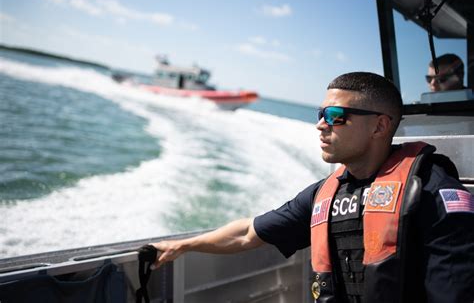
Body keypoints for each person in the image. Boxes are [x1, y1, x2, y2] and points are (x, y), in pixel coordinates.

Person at [151, 72, 474, 302]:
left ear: (379, 125)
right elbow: (248, 233)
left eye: (336, 116)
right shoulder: (325, 195)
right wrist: (185, 245)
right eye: (321, 114)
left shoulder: (432, 193)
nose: (321, 124)